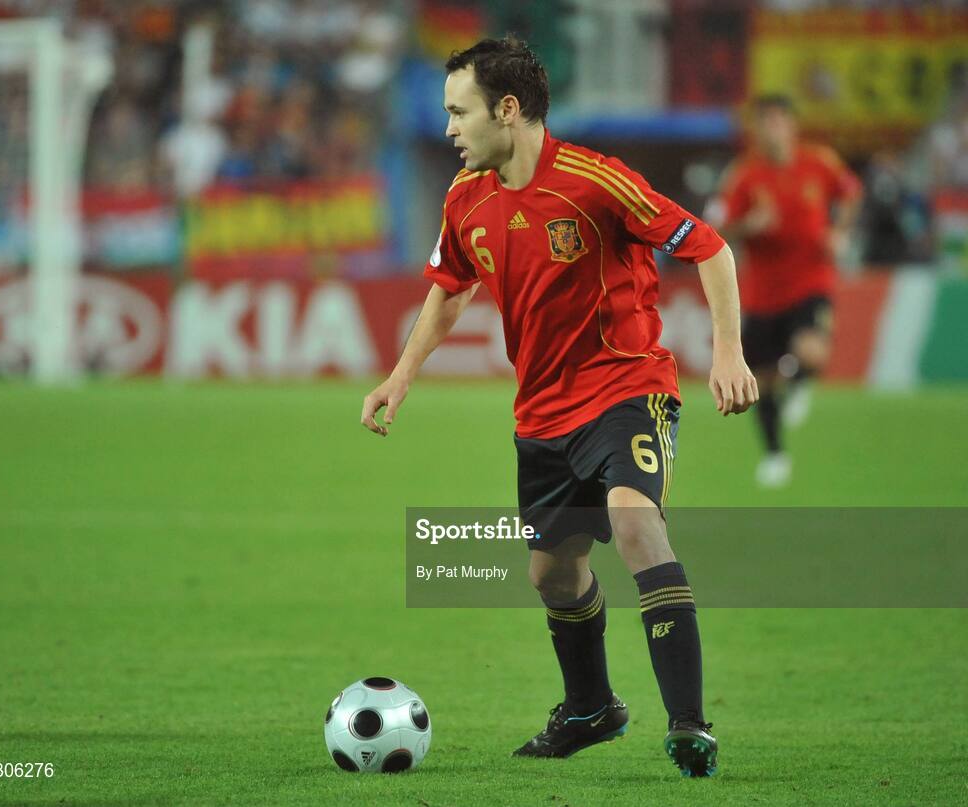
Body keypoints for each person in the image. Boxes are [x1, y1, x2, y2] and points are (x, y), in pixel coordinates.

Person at [361, 36, 757, 777]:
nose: (449, 128)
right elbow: (450, 288)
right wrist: (401, 375)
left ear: (507, 110)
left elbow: (709, 247)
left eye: (460, 112)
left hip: (626, 388)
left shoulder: (596, 182)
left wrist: (728, 353)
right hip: (542, 414)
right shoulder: (465, 198)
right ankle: (591, 708)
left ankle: (690, 725)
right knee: (551, 575)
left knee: (635, 522)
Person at [710, 95, 861, 488]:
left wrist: (840, 231)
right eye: (765, 122)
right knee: (761, 383)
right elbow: (715, 230)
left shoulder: (819, 162)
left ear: (792, 125)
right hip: (763, 293)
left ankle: (798, 381)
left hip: (811, 279)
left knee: (812, 351)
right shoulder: (744, 175)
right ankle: (775, 454)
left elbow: (850, 192)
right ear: (756, 130)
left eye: (778, 121)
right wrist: (749, 224)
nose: (772, 129)